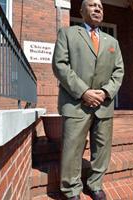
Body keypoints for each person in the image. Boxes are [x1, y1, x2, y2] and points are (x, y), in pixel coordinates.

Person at [52, 0, 124, 199]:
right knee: (72, 148)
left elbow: (119, 72)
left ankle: (95, 184)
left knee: (102, 148)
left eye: (100, 6)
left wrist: (106, 92)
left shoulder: (112, 42)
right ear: (81, 11)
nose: (98, 8)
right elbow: (60, 65)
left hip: (104, 104)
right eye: (92, 5)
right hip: (76, 104)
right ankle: (71, 189)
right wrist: (84, 92)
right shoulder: (67, 34)